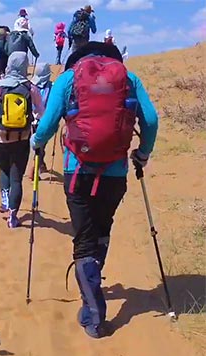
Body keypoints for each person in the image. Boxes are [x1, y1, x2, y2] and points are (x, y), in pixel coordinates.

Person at [29, 42, 159, 338]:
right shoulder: (129, 78)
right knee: (102, 229)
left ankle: (94, 312)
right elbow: (150, 119)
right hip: (115, 173)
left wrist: (36, 143)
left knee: (83, 239)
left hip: (78, 172)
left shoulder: (68, 78)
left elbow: (48, 123)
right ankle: (93, 282)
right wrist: (143, 153)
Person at [0, 52, 44, 227]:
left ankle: (4, 199)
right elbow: (42, 112)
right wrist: (35, 118)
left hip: (0, 138)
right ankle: (13, 216)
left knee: (3, 170)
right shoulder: (30, 87)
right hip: (22, 138)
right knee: (16, 178)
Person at [29, 62, 52, 179]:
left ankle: (41, 164)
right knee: (41, 145)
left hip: (31, 120)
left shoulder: (29, 86)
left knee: (39, 144)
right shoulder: (51, 87)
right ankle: (35, 167)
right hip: (45, 121)